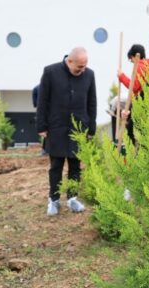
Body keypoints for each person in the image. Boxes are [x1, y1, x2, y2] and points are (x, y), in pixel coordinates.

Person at [36, 47, 96, 216]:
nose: (82, 70)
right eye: (79, 67)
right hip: (56, 127)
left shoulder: (90, 75)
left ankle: (72, 198)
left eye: (85, 66)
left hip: (79, 128)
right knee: (56, 166)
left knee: (75, 166)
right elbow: (43, 101)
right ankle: (53, 200)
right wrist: (41, 126)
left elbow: (92, 102)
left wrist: (91, 128)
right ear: (69, 61)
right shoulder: (50, 72)